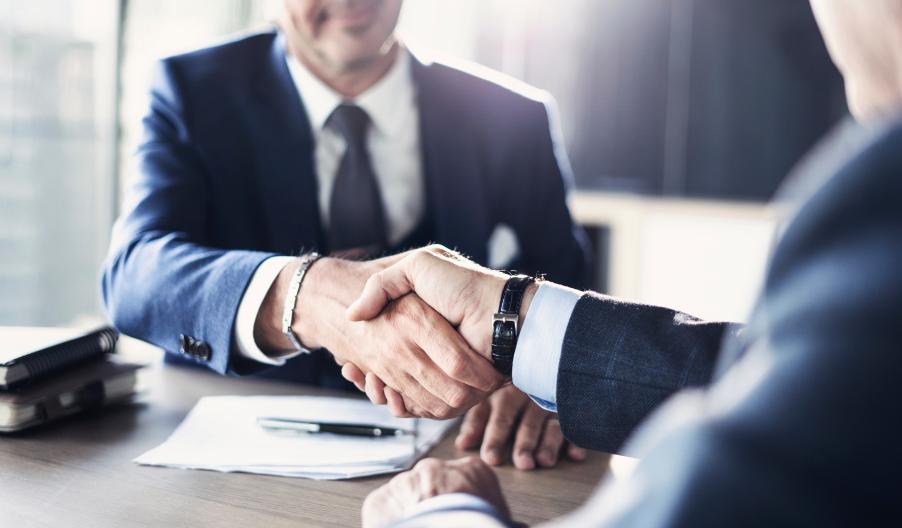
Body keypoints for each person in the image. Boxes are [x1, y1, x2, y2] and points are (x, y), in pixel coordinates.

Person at [349, 0, 902, 525]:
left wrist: (441, 516)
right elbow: (791, 393)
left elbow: (736, 498)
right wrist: (514, 319)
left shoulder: (880, 194)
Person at [100, 0, 589, 470]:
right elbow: (136, 271)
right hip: (234, 448)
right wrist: (305, 295)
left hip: (460, 451)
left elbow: (567, 288)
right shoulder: (190, 90)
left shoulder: (514, 117)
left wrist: (542, 378)